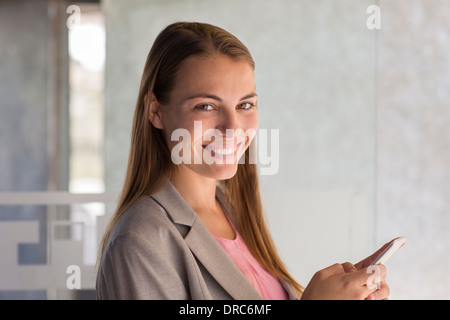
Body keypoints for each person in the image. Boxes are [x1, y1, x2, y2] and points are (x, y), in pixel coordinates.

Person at [95, 21, 391, 300]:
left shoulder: (234, 211)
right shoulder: (141, 240)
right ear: (156, 112)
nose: (233, 128)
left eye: (245, 104)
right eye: (207, 106)